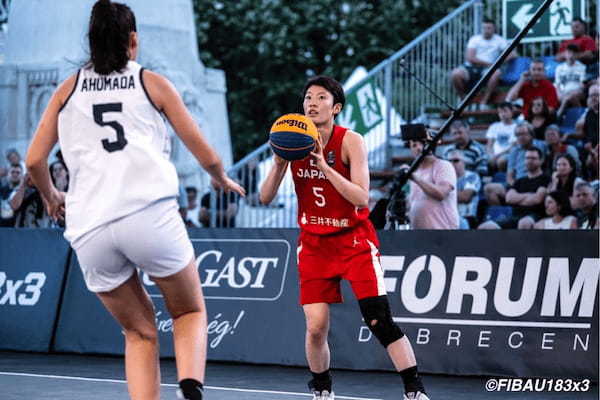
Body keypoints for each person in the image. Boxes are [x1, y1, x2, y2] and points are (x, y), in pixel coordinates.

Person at [24, 2, 244, 400]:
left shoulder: (67, 89)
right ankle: (190, 387)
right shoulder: (151, 82)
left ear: (90, 42)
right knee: (189, 312)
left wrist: (52, 195)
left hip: (90, 226)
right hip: (147, 213)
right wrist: (219, 176)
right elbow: (202, 149)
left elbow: (35, 159)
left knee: (139, 332)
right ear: (133, 41)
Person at [260, 76, 430, 400]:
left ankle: (414, 390)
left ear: (335, 107)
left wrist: (323, 166)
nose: (311, 102)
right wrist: (278, 164)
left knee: (379, 320)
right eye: (308, 97)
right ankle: (322, 389)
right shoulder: (292, 141)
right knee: (315, 327)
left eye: (320, 97)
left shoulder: (351, 141)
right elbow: (265, 198)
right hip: (314, 244)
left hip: (353, 241)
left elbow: (361, 197)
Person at [480, 147, 550, 229]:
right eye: (527, 158)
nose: (529, 161)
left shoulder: (546, 179)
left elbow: (537, 199)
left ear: (541, 161)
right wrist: (529, 195)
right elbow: (509, 199)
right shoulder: (519, 181)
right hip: (515, 216)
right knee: (485, 226)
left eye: (533, 158)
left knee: (524, 223)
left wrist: (518, 198)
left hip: (535, 216)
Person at [450, 19, 514, 106]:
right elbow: (470, 58)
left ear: (494, 29)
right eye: (484, 28)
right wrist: (490, 64)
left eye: (489, 28)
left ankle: (484, 101)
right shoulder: (474, 39)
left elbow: (512, 54)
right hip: (471, 67)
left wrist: (498, 63)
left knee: (496, 73)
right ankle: (463, 100)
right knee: (455, 74)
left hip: (488, 69)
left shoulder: (499, 40)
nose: (486, 30)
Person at [407, 128, 459, 229]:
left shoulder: (443, 165)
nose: (418, 148)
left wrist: (415, 178)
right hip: (419, 235)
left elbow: (441, 193)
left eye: (422, 143)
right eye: (414, 145)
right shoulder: (415, 173)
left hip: (443, 232)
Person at [484, 122, 546, 205]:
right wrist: (515, 188)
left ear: (531, 135)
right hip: (518, 184)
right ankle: (502, 213)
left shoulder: (542, 145)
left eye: (523, 134)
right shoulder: (514, 150)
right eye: (517, 135)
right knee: (489, 189)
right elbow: (510, 175)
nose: (520, 137)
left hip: (536, 183)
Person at [448, 150, 480, 229]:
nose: (452, 164)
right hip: (448, 217)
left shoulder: (472, 176)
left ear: (464, 162)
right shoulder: (445, 178)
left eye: (456, 160)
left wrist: (442, 193)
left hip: (467, 218)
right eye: (449, 161)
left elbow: (465, 197)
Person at [554, 44, 586, 117]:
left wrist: (570, 94)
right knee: (570, 98)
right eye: (569, 52)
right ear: (565, 54)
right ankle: (581, 116)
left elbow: (582, 86)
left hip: (577, 92)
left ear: (577, 55)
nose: (571, 55)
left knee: (571, 97)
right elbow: (557, 86)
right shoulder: (559, 68)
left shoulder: (582, 67)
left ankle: (558, 115)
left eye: (574, 53)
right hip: (563, 93)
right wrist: (561, 95)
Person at [485, 102, 516, 172]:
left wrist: (496, 156)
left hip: (508, 154)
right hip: (494, 155)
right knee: (485, 160)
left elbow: (512, 147)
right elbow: (489, 145)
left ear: (511, 112)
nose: (502, 114)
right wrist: (491, 155)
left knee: (501, 161)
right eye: (500, 112)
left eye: (505, 111)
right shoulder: (494, 126)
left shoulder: (516, 127)